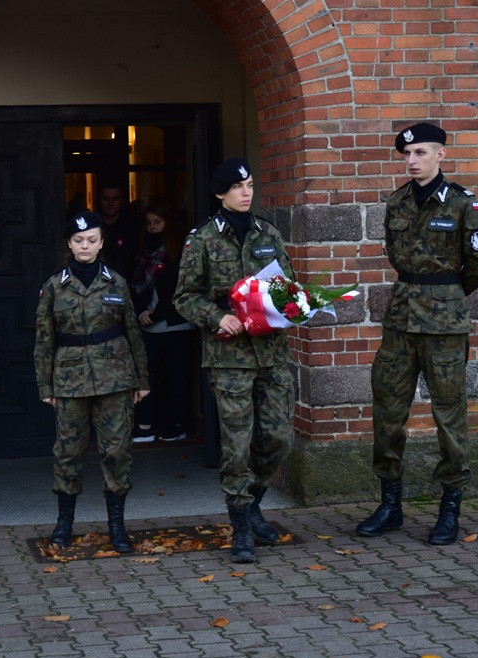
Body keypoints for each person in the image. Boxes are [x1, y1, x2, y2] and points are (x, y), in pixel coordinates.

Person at [356, 122, 478, 545]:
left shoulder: (462, 205)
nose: (412, 161)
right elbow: (394, 254)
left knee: (448, 415)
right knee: (387, 413)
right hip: (400, 321)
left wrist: (449, 293)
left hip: (444, 326)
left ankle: (449, 509)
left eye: (420, 152)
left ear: (440, 155)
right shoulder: (397, 201)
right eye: (407, 154)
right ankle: (390, 504)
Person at [174, 158, 295, 564]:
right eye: (239, 187)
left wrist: (294, 305)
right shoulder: (202, 239)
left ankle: (255, 502)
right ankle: (241, 524)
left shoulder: (268, 233)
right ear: (220, 193)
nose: (247, 192)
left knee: (278, 438)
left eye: (250, 184)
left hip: (272, 352)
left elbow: (285, 287)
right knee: (237, 444)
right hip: (229, 358)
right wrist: (217, 316)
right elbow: (184, 296)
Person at [34, 210, 150, 553]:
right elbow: (44, 339)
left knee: (117, 451)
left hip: (115, 379)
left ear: (102, 243)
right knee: (68, 452)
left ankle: (117, 525)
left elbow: (133, 332)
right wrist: (45, 386)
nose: (85, 246)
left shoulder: (117, 282)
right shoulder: (54, 287)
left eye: (92, 240)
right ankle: (64, 524)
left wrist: (141, 379)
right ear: (70, 244)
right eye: (78, 240)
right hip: (69, 381)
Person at [130, 200, 196, 444]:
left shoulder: (178, 250)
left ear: (168, 222)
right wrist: (141, 312)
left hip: (175, 322)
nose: (152, 227)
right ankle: (144, 426)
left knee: (175, 374)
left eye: (157, 222)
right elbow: (133, 284)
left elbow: (181, 289)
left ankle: (177, 424)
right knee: (145, 373)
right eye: (148, 223)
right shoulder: (142, 249)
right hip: (148, 322)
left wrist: (154, 314)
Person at [97, 177, 140, 283]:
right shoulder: (92, 228)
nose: (110, 203)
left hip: (126, 287)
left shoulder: (133, 229)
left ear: (121, 201)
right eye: (106, 198)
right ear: (100, 200)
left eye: (115, 199)